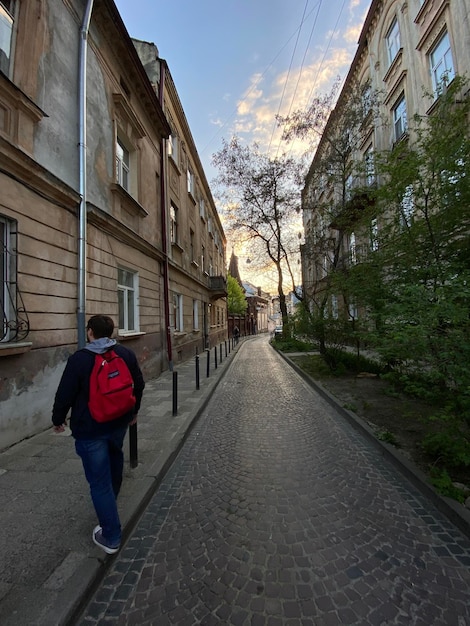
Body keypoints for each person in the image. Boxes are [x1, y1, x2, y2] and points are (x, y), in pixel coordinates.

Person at [52, 315, 145, 554]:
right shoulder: (125, 354)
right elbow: (139, 384)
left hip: (90, 428)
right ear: (112, 332)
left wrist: (58, 419)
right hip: (119, 422)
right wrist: (134, 411)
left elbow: (65, 393)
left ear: (90, 332)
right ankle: (109, 505)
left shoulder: (80, 359)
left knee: (99, 482)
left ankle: (111, 536)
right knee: (115, 464)